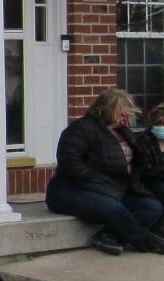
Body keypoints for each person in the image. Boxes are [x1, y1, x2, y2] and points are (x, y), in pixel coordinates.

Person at [45, 89, 164, 256]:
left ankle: (109, 236)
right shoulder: (81, 129)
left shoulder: (123, 133)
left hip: (113, 189)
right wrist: (103, 184)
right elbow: (70, 164)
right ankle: (148, 241)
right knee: (113, 208)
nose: (127, 116)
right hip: (72, 189)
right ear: (109, 110)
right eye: (124, 112)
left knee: (152, 207)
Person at [135, 102, 164, 221]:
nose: (161, 127)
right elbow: (145, 167)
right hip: (150, 180)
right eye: (159, 123)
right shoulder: (144, 140)